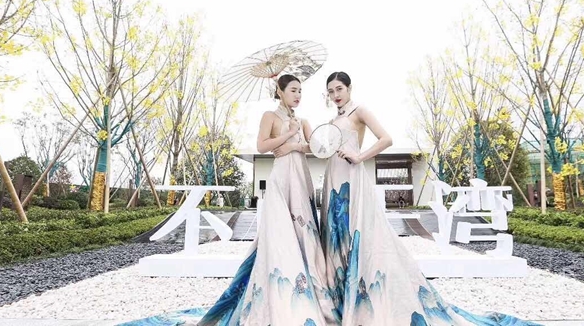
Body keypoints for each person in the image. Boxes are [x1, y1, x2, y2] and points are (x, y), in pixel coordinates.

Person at [319, 71, 537, 326]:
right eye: (331, 91)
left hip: (352, 177)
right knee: (337, 237)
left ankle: (364, 302)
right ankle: (342, 302)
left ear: (349, 88)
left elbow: (387, 139)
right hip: (333, 178)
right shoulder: (333, 119)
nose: (335, 95)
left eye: (339, 89)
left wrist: (359, 156)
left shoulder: (360, 111)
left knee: (357, 235)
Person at [120, 74, 338, 325]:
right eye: (293, 90)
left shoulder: (303, 121)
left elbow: (313, 147)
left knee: (304, 231)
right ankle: (279, 292)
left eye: (300, 91)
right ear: (280, 91)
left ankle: (309, 291)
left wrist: (296, 144)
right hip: (281, 178)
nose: (298, 95)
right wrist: (287, 135)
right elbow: (262, 146)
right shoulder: (270, 116)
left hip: (301, 177)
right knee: (280, 233)